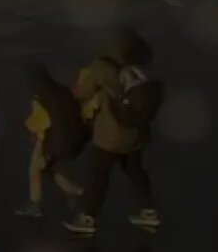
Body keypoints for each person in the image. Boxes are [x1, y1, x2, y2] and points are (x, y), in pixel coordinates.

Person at [63, 29, 165, 236]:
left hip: (111, 136)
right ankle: (149, 211)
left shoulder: (101, 67)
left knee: (99, 176)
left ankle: (87, 218)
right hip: (137, 132)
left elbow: (82, 93)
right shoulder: (140, 67)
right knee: (136, 171)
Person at [15, 65, 87, 219]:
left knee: (35, 168)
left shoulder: (40, 97)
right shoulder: (62, 90)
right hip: (74, 137)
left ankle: (35, 204)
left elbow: (43, 121)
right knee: (45, 168)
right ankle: (76, 191)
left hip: (53, 140)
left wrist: (30, 126)